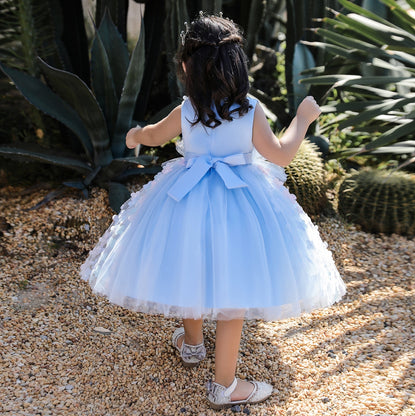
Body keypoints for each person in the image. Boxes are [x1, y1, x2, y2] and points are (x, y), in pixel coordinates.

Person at [80, 13, 346, 410]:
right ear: (236, 65)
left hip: (185, 198)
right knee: (231, 295)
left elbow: (153, 135)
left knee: (190, 264)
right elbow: (282, 154)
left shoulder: (187, 109)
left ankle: (191, 344)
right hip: (241, 201)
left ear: (188, 67)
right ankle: (225, 385)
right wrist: (303, 120)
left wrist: (135, 134)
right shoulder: (250, 109)